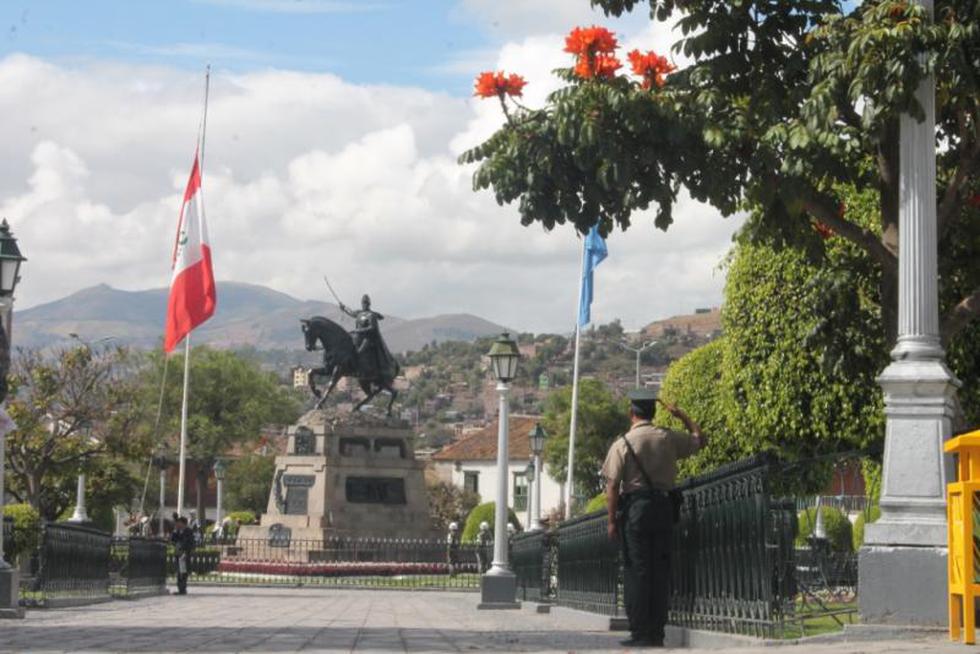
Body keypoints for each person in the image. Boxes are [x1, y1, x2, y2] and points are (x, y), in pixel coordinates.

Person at [601, 388, 706, 648]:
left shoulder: (622, 444)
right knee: (660, 571)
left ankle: (639, 632)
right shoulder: (668, 438)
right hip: (664, 508)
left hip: (635, 510)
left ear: (631, 414)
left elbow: (612, 487)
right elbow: (699, 440)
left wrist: (612, 520)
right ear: (654, 412)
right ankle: (656, 632)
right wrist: (682, 415)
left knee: (637, 571)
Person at [339, 294, 399, 379]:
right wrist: (344, 308)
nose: (364, 304)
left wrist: (358, 330)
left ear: (368, 304)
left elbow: (372, 328)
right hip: (358, 337)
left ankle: (364, 369)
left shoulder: (371, 315)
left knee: (359, 352)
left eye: (365, 303)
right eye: (363, 303)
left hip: (368, 338)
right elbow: (351, 313)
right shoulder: (359, 313)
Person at [170, 516, 196, 595]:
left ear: (183, 523)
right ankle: (180, 588)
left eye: (179, 523)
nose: (178, 524)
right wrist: (175, 531)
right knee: (179, 571)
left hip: (185, 554)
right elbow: (172, 540)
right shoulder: (177, 531)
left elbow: (191, 543)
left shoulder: (188, 531)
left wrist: (186, 551)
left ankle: (182, 589)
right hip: (178, 553)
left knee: (183, 572)